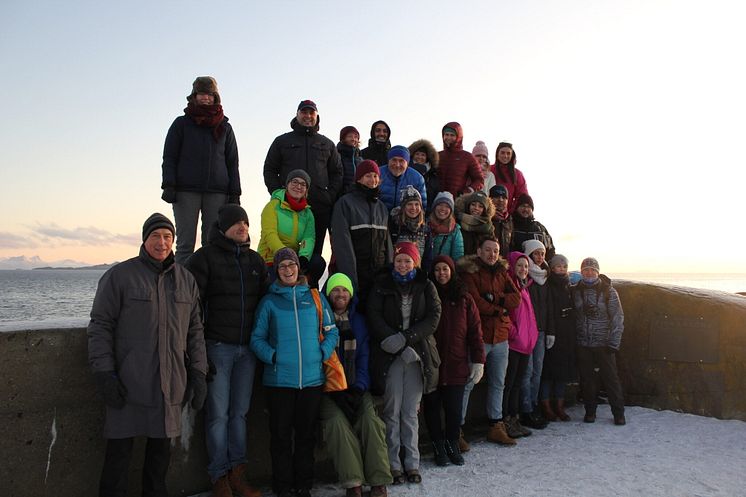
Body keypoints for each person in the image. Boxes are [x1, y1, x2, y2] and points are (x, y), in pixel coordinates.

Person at [88, 213, 207, 497]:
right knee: (118, 459)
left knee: (159, 462)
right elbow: (101, 325)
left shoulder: (185, 280)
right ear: (144, 239)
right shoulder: (120, 276)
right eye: (156, 236)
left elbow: (195, 331)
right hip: (128, 383)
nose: (162, 242)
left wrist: (199, 373)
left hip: (169, 387)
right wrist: (104, 373)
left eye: (168, 237)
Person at [185, 204, 268, 497]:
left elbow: (269, 302)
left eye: (245, 223)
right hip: (218, 347)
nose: (242, 227)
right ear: (223, 227)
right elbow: (190, 305)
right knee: (218, 414)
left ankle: (238, 475)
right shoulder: (204, 258)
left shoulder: (255, 261)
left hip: (248, 351)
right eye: (236, 223)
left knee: (240, 414)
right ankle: (219, 476)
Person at [250, 248, 340, 497]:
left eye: (291, 265)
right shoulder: (269, 301)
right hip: (279, 382)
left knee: (305, 437)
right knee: (280, 438)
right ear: (276, 271)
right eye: (282, 267)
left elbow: (332, 330)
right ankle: (283, 486)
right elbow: (256, 339)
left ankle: (303, 485)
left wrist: (321, 353)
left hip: (311, 381)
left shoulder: (315, 298)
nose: (288, 270)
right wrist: (274, 356)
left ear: (298, 269)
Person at [367, 242, 441, 486]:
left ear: (415, 262)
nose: (402, 264)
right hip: (390, 355)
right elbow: (374, 316)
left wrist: (407, 339)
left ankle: (412, 463)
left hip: (417, 356)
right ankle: (393, 464)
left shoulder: (426, 285)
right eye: (399, 260)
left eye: (407, 260)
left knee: (410, 412)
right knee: (391, 410)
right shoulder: (381, 285)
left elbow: (433, 318)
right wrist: (393, 340)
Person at [319, 273, 391, 497]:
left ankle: (378, 480)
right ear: (328, 294)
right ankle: (353, 483)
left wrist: (359, 387)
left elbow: (363, 357)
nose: (340, 294)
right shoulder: (320, 320)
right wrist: (335, 390)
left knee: (371, 421)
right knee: (336, 424)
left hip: (356, 386)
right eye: (335, 290)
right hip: (329, 391)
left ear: (350, 294)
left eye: (344, 290)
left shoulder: (359, 321)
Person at [161, 76, 241, 264]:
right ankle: (180, 288)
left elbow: (232, 162)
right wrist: (169, 185)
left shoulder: (225, 128)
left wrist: (235, 194)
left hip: (218, 192)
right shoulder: (181, 124)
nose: (206, 98)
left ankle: (208, 289)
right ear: (194, 96)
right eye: (202, 94)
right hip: (185, 191)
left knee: (212, 243)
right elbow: (169, 156)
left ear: (215, 97)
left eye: (209, 94)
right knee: (185, 245)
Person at [457, 236, 521, 447]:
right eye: (488, 250)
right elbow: (476, 302)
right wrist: (499, 308)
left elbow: (516, 298)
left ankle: (495, 425)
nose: (492, 254)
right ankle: (457, 429)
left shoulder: (502, 272)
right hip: (480, 336)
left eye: (495, 250)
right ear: (479, 251)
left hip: (501, 337)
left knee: (498, 383)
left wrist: (497, 299)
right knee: (469, 381)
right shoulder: (470, 273)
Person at [424, 255, 485, 467]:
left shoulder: (464, 298)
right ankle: (438, 445)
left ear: (452, 271)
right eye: (438, 269)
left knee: (454, 410)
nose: (442, 273)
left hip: (456, 362)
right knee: (432, 408)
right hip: (432, 362)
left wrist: (478, 360)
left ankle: (452, 443)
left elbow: (475, 331)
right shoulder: (427, 295)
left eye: (445, 269)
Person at [263, 100, 343, 256]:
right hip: (286, 206)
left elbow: (337, 173)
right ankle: (284, 279)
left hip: (319, 206)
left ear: (317, 116)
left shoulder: (327, 144)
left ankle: (309, 280)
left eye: (311, 113)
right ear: (297, 115)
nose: (308, 116)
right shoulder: (282, 141)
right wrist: (278, 193)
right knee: (284, 249)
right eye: (304, 112)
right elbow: (270, 169)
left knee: (314, 254)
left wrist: (329, 196)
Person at [330, 160, 392, 311]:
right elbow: (342, 244)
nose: (373, 180)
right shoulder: (345, 204)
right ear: (359, 179)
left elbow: (387, 244)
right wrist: (352, 280)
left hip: (378, 278)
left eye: (376, 176)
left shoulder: (382, 207)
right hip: (357, 276)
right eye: (368, 176)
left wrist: (389, 275)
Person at [571, 257, 626, 426]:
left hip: (604, 343)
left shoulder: (609, 292)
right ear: (581, 273)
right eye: (586, 270)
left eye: (592, 270)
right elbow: (571, 314)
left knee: (611, 379)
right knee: (587, 379)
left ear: (597, 272)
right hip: (583, 342)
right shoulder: (574, 291)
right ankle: (590, 412)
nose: (589, 273)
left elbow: (618, 318)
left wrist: (614, 343)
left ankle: (618, 413)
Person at [257, 169, 325, 285]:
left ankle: (304, 288)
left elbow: (308, 238)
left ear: (306, 191)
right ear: (287, 184)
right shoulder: (273, 206)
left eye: (303, 184)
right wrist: (284, 253)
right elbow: (269, 234)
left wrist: (303, 257)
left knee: (317, 262)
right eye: (294, 182)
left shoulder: (307, 213)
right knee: (274, 286)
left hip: (293, 260)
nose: (298, 186)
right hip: (271, 258)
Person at [502, 252, 539, 440]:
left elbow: (529, 316)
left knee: (517, 384)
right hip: (514, 343)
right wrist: (515, 335)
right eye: (519, 266)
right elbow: (506, 315)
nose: (523, 269)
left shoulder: (525, 287)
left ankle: (514, 419)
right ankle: (505, 420)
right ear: (512, 266)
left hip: (525, 344)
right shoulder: (510, 286)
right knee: (509, 384)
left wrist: (531, 337)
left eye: (525, 266)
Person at [518, 240, 554, 430]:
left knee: (537, 371)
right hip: (527, 332)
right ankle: (525, 409)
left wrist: (550, 331)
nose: (540, 257)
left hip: (541, 330)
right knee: (527, 370)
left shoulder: (545, 278)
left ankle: (533, 405)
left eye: (542, 254)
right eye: (536, 254)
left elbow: (549, 307)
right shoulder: (525, 277)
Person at [540, 254, 577, 422]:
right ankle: (546, 406)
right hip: (552, 332)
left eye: (564, 267)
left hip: (566, 333)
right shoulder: (549, 284)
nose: (561, 269)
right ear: (552, 268)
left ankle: (559, 406)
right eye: (558, 267)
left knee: (561, 372)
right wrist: (550, 331)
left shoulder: (569, 285)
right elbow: (548, 309)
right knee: (548, 372)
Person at [388, 186, 432, 271]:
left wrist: (425, 274)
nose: (413, 208)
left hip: (418, 274)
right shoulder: (394, 225)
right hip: (398, 272)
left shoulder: (425, 228)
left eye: (417, 204)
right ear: (403, 207)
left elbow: (428, 256)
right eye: (409, 204)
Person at [437, 122, 484, 197]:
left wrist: (468, 190)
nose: (448, 137)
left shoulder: (467, 157)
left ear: (458, 137)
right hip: (438, 202)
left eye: (452, 135)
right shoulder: (437, 155)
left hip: (458, 201)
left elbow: (479, 179)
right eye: (446, 135)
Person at [379, 145, 428, 212]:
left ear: (407, 163)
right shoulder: (378, 175)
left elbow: (422, 206)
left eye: (401, 161)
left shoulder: (417, 178)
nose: (397, 165)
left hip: (406, 219)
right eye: (394, 160)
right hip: (379, 218)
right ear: (388, 161)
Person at [510, 194, 556, 261]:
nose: (526, 209)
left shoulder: (540, 228)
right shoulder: (510, 226)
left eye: (529, 207)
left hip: (538, 268)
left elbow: (550, 250)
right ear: (517, 208)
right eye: (523, 206)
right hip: (518, 268)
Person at [491, 142, 528, 214]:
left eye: (508, 153)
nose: (505, 156)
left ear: (512, 156)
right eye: (502, 153)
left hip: (508, 215)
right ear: (497, 154)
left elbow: (522, 197)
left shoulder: (517, 174)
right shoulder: (490, 170)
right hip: (488, 213)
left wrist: (511, 211)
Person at [428, 191, 464, 264]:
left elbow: (458, 258)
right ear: (434, 207)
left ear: (451, 211)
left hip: (444, 272)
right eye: (440, 204)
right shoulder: (425, 225)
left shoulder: (455, 231)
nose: (443, 209)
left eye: (447, 206)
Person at [456, 191, 495, 256]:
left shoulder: (488, 228)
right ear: (468, 206)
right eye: (473, 204)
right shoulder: (458, 222)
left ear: (484, 210)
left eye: (480, 206)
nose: (476, 208)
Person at [408, 138, 441, 208]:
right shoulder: (405, 172)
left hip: (426, 212)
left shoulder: (432, 175)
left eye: (423, 155)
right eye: (417, 154)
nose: (419, 157)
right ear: (412, 155)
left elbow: (434, 195)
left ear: (427, 158)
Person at [489, 185, 513, 258]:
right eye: (496, 197)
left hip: (503, 264)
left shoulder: (509, 220)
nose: (500, 200)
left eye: (504, 197)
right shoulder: (486, 217)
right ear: (490, 199)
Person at [338, 126, 363, 193]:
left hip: (357, 194)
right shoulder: (337, 155)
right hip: (341, 193)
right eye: (350, 136)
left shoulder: (360, 158)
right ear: (343, 138)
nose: (353, 139)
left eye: (355, 137)